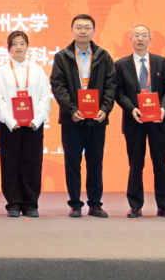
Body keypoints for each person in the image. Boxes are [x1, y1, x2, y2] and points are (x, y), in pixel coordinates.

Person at [50, 14, 117, 218]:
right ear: (72, 30)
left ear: (94, 31)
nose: (83, 31)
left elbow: (111, 85)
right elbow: (58, 85)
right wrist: (71, 109)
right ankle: (75, 204)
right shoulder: (62, 57)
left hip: (97, 118)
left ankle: (95, 204)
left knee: (95, 162)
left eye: (87, 28)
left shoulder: (104, 56)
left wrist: (105, 108)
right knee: (72, 162)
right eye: (79, 27)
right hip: (72, 119)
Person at [114, 25, 165, 219]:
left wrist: (163, 108)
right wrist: (131, 108)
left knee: (160, 164)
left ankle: (164, 206)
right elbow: (118, 92)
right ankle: (135, 206)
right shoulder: (121, 64)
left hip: (158, 120)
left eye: (144, 35)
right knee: (135, 165)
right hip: (134, 120)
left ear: (150, 39)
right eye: (136, 35)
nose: (140, 38)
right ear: (130, 39)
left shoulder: (161, 62)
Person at [0, 30, 52, 218]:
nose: (18, 47)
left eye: (22, 43)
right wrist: (10, 120)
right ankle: (13, 203)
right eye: (14, 44)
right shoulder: (1, 72)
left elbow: (45, 97)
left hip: (33, 125)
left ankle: (31, 203)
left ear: (27, 46)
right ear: (8, 48)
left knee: (32, 163)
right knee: (10, 163)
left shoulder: (37, 70)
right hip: (9, 125)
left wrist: (37, 119)